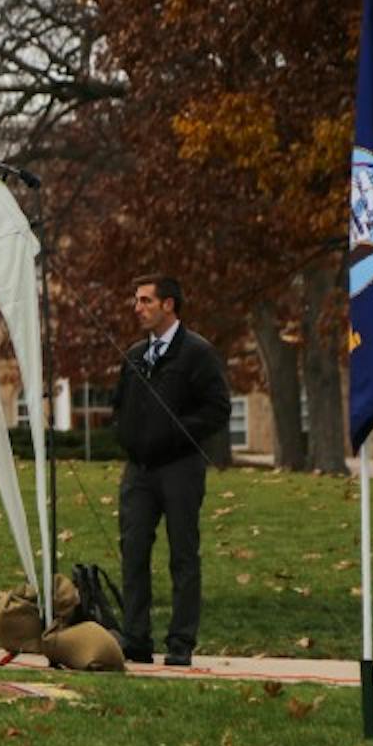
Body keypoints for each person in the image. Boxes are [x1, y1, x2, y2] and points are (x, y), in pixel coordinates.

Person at [110, 274, 231, 667]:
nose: (137, 308)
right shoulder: (134, 355)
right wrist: (128, 438)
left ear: (169, 305)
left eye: (146, 300)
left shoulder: (196, 353)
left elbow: (217, 409)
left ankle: (180, 643)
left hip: (179, 468)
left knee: (183, 555)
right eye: (136, 300)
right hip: (139, 471)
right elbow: (120, 406)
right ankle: (136, 638)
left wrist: (179, 434)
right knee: (133, 551)